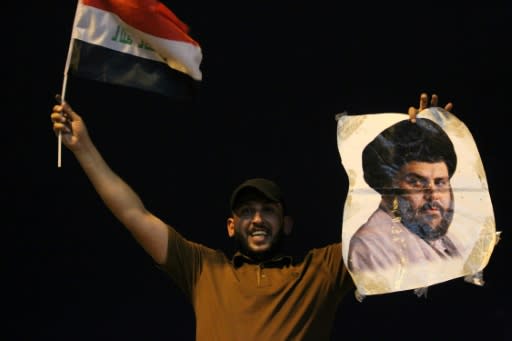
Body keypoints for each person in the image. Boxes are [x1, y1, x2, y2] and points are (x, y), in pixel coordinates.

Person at [50, 93, 449, 340]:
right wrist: (83, 147)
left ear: (286, 223)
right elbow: (132, 213)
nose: (257, 219)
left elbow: (407, 226)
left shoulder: (322, 269)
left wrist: (421, 142)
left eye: (268, 210)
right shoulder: (202, 269)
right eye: (246, 212)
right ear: (231, 225)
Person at [347, 112, 463, 274]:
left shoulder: (445, 240)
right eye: (416, 182)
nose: (434, 195)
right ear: (388, 187)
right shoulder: (370, 248)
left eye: (440, 182)